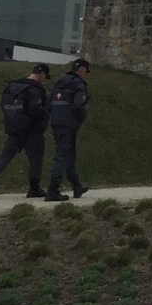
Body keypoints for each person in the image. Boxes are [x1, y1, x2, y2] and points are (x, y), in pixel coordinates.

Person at [0, 64, 50, 200]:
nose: (44, 80)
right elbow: (35, 110)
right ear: (41, 74)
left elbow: (5, 106)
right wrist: (46, 111)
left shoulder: (12, 86)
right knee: (36, 159)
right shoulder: (34, 89)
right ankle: (34, 189)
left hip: (14, 128)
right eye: (45, 77)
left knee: (5, 157)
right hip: (32, 130)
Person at [44, 57, 92, 201]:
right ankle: (53, 191)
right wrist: (80, 119)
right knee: (62, 156)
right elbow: (79, 105)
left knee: (68, 154)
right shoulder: (78, 84)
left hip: (56, 122)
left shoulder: (60, 81)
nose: (86, 74)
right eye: (86, 72)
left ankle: (77, 186)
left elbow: (48, 103)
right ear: (82, 70)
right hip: (69, 124)